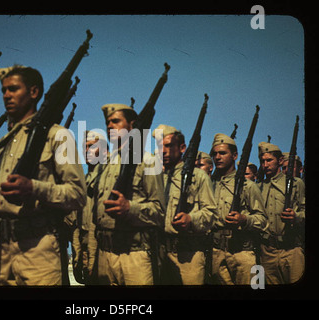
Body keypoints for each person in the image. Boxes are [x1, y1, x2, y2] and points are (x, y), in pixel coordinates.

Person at [0, 65, 86, 286]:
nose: (7, 95)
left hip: (40, 251)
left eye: (14, 89)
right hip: (3, 252)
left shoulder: (59, 136)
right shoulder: (0, 145)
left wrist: (34, 188)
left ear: (34, 92)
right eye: (4, 91)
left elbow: (77, 194)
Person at [90, 103, 165, 285]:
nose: (109, 126)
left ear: (131, 126)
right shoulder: (103, 165)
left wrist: (130, 208)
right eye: (107, 122)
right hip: (104, 255)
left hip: (135, 256)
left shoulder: (148, 161)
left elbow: (159, 212)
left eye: (116, 121)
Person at [153, 124, 217, 285]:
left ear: (182, 148)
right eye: (160, 146)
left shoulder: (199, 176)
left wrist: (191, 219)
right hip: (159, 253)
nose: (164, 150)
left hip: (189, 254)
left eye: (168, 146)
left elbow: (211, 214)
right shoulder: (154, 177)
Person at [209, 133, 267, 285]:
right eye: (214, 154)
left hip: (243, 254)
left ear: (234, 156)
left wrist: (244, 219)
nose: (217, 157)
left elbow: (262, 220)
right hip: (216, 253)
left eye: (222, 153)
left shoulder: (248, 186)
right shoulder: (209, 185)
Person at [258, 142, 305, 284]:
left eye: (269, 160)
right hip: (267, 252)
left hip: (292, 250)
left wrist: (296, 217)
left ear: (279, 161)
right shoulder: (258, 187)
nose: (265, 165)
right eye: (262, 161)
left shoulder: (296, 183)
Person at [72, 130, 108, 285]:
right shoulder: (84, 182)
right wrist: (76, 256)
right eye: (85, 147)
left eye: (92, 147)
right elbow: (77, 223)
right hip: (86, 253)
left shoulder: (109, 179)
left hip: (104, 252)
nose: (87, 151)